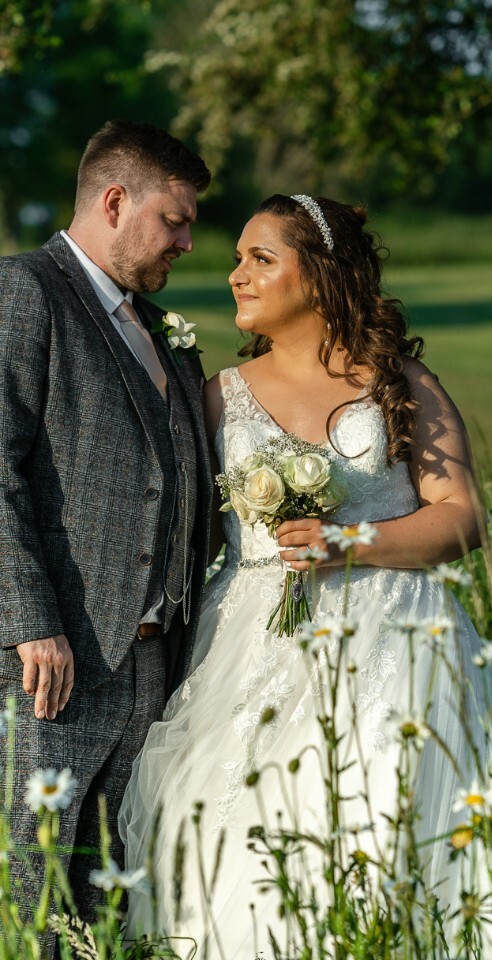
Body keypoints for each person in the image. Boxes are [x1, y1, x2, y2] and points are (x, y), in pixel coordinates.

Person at [118, 196, 492, 958]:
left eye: (261, 259)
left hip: (394, 640)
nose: (236, 275)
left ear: (318, 276)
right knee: (250, 826)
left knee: (385, 805)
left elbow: (462, 517)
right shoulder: (218, 393)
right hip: (251, 644)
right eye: (237, 259)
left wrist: (349, 540)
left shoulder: (400, 380)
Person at [0, 120, 213, 940]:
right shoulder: (26, 291)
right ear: (116, 201)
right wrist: (31, 622)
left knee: (104, 912)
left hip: (150, 666)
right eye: (177, 218)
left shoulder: (154, 329)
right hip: (48, 668)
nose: (189, 241)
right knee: (31, 904)